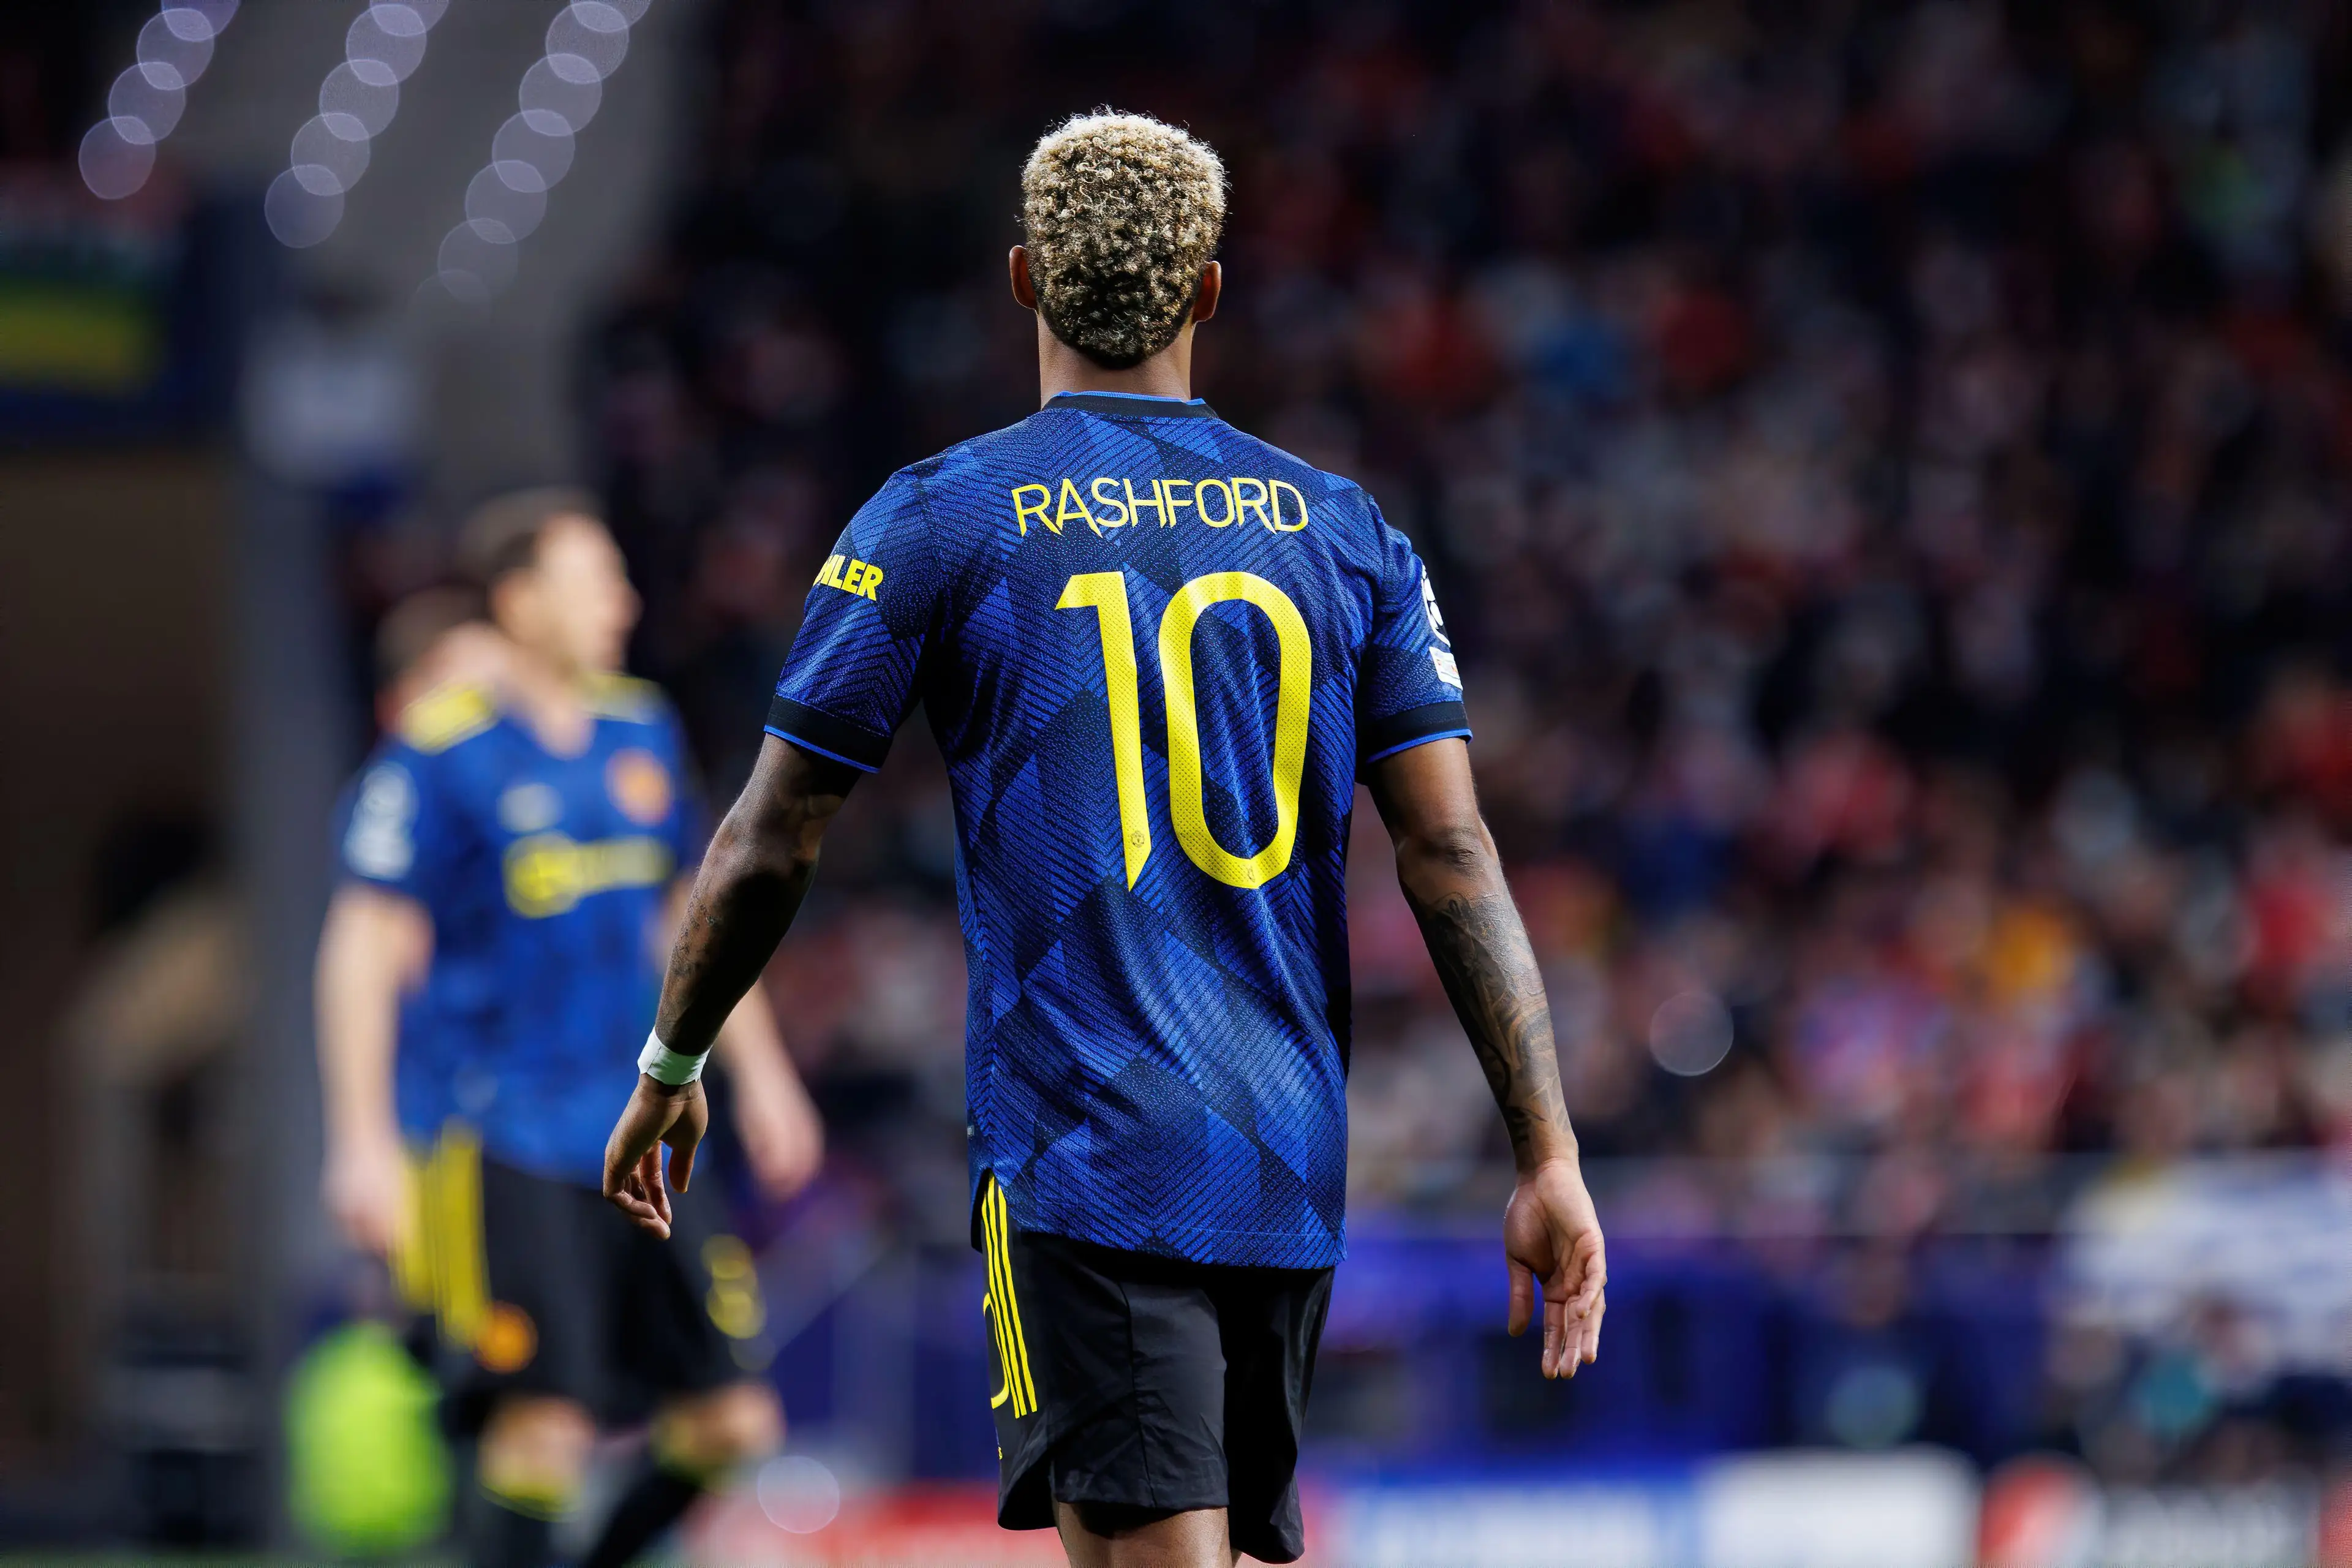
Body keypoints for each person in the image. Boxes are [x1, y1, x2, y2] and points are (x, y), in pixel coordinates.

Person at [603, 113, 1607, 1568]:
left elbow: (773, 835)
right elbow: (1453, 857)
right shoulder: (1344, 532)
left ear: (1020, 280)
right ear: (1209, 290)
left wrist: (675, 1059)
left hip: (1090, 1147)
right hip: (1283, 1156)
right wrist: (1549, 1149)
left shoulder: (941, 514)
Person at [316, 493, 824, 1568]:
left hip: (640, 1130)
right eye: (594, 578)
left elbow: (693, 919)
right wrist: (361, 1142)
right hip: (502, 1136)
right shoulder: (441, 752)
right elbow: (361, 951)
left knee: (732, 1427)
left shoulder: (641, 727)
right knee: (540, 1428)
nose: (623, 600)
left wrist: (768, 1077)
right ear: (519, 600)